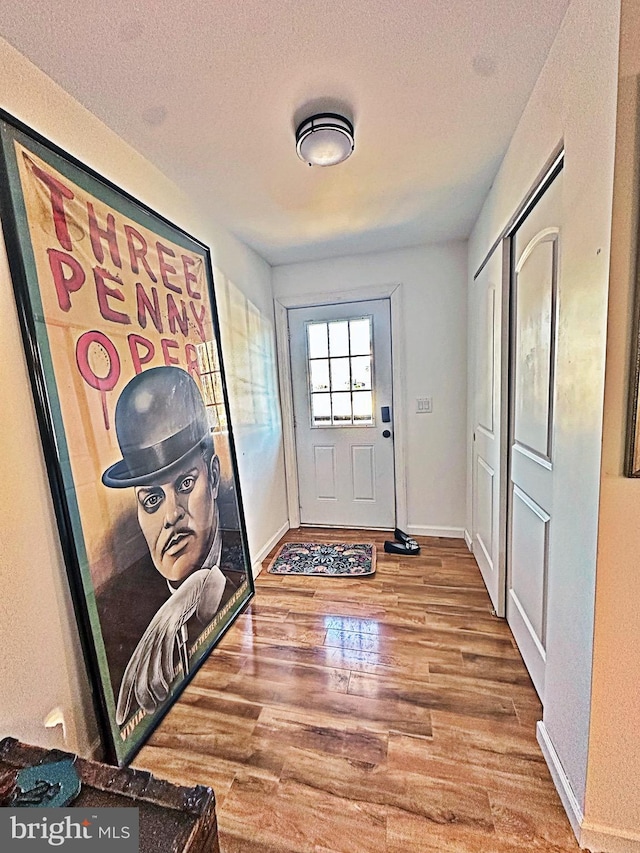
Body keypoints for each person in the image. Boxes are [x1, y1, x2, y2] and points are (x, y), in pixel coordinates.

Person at [101, 365, 238, 726]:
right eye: (151, 500)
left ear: (211, 474)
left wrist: (205, 584)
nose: (171, 515)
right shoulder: (116, 613)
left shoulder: (242, 552)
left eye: (185, 483)